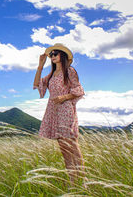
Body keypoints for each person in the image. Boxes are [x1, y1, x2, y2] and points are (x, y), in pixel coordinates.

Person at [33, 43, 86, 187]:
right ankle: (73, 181)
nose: (53, 56)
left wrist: (64, 97)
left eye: (55, 53)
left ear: (62, 55)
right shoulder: (50, 75)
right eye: (51, 54)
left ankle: (83, 180)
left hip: (65, 109)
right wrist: (40, 65)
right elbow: (37, 85)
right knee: (63, 148)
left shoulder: (70, 71)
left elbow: (79, 90)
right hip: (53, 111)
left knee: (72, 145)